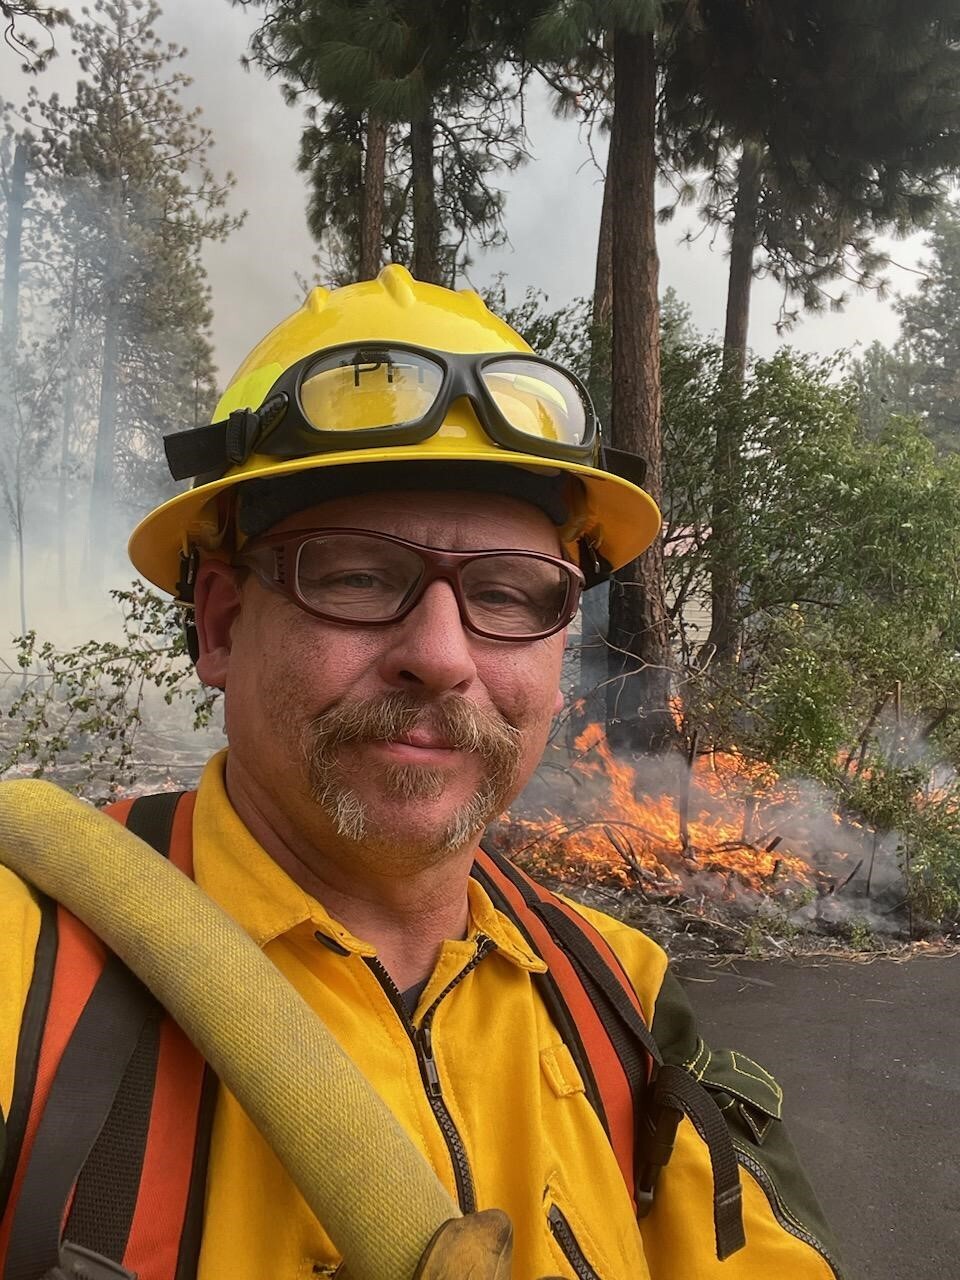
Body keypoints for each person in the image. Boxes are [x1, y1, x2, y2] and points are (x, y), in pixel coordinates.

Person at [0, 266, 842, 1280]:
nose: (441, 653)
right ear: (221, 624)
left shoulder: (622, 999)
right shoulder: (27, 972)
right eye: (356, 573)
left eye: (510, 592)